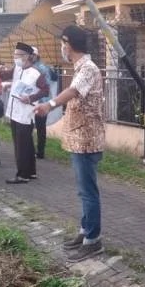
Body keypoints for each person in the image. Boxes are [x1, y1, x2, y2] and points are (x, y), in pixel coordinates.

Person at [34, 25, 105, 263]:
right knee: (83, 190)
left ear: (69, 43)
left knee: (88, 191)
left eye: (63, 43)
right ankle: (86, 231)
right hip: (79, 139)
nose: (61, 48)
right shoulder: (79, 67)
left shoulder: (88, 68)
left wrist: (50, 105)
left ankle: (94, 240)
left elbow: (74, 91)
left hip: (87, 140)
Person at [3, 43, 49, 184]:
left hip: (25, 113)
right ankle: (31, 172)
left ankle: (22, 174)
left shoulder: (36, 73)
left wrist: (31, 98)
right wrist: (1, 73)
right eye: (15, 54)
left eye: (17, 54)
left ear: (26, 56)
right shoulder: (17, 68)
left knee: (21, 146)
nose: (15, 57)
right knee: (27, 144)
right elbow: (8, 76)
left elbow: (45, 90)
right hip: (15, 110)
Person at [31, 46, 57, 159]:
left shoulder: (36, 68)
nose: (29, 57)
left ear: (36, 56)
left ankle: (37, 151)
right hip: (43, 100)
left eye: (31, 55)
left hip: (38, 101)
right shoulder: (44, 66)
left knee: (35, 127)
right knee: (41, 128)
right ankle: (40, 152)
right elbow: (54, 78)